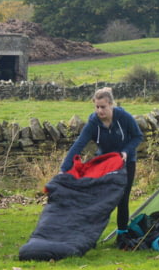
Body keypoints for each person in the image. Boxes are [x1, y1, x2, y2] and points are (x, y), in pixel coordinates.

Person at [60, 87, 144, 234]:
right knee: (101, 198)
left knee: (122, 198)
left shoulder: (124, 117)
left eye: (103, 107)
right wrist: (64, 169)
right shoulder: (93, 123)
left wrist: (125, 151)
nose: (100, 111)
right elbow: (79, 144)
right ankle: (91, 234)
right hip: (105, 163)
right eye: (97, 107)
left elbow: (138, 136)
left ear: (111, 104)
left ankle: (122, 234)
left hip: (127, 161)